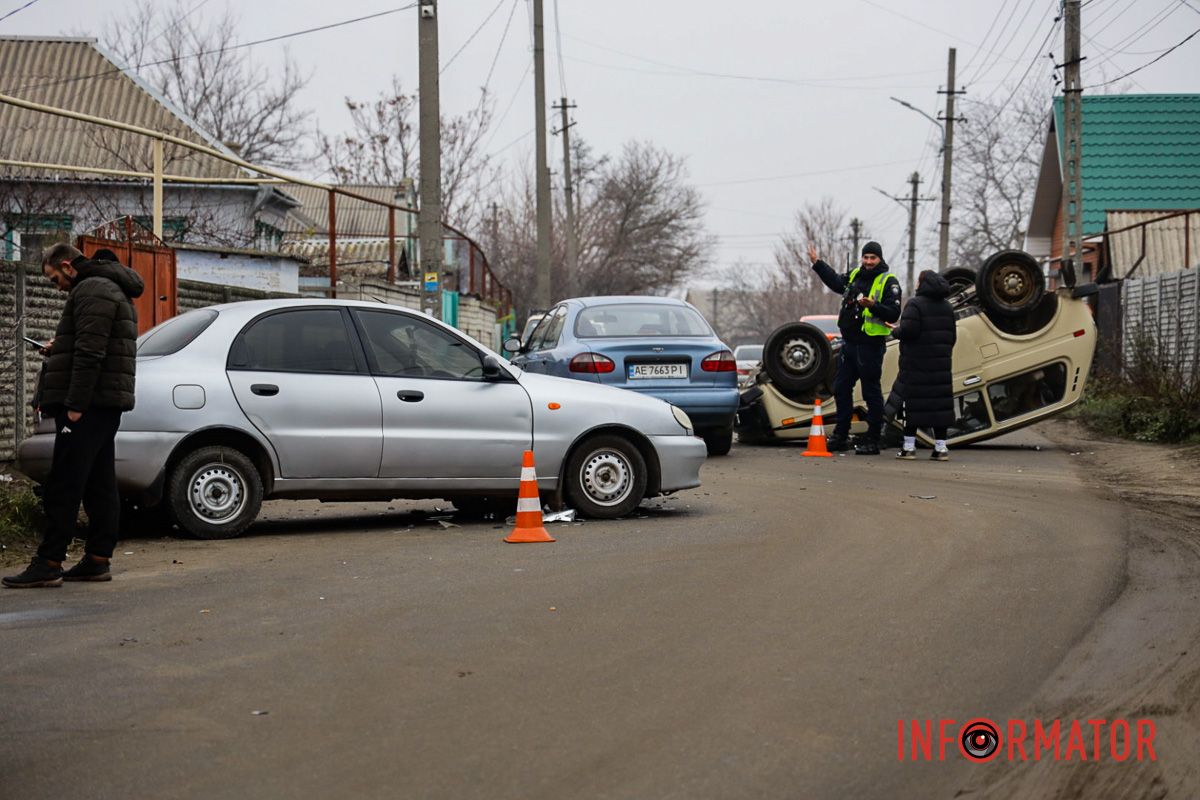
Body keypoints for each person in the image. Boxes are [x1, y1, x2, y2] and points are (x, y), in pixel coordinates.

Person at [3, 244, 143, 588]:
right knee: (98, 482)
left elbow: (91, 352)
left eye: (54, 280)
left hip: (90, 403)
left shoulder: (94, 288)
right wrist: (59, 346)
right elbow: (93, 342)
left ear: (67, 266)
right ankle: (97, 558)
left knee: (65, 483)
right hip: (102, 401)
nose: (57, 287)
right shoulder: (107, 287)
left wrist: (76, 406)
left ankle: (49, 561)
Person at [807, 241, 902, 455]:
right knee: (841, 389)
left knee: (871, 392)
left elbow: (894, 313)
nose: (868, 262)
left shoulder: (888, 281)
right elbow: (836, 283)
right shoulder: (855, 274)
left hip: (870, 345)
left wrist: (873, 306)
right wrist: (817, 263)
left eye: (872, 258)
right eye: (866, 257)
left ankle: (873, 438)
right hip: (849, 343)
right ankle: (841, 435)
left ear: (880, 259)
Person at [888, 269, 957, 461]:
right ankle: (941, 448)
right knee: (939, 407)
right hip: (941, 365)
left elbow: (909, 331)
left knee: (913, 406)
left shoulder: (915, 305)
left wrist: (896, 332)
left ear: (923, 283)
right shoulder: (947, 308)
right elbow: (952, 337)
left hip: (916, 364)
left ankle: (908, 447)